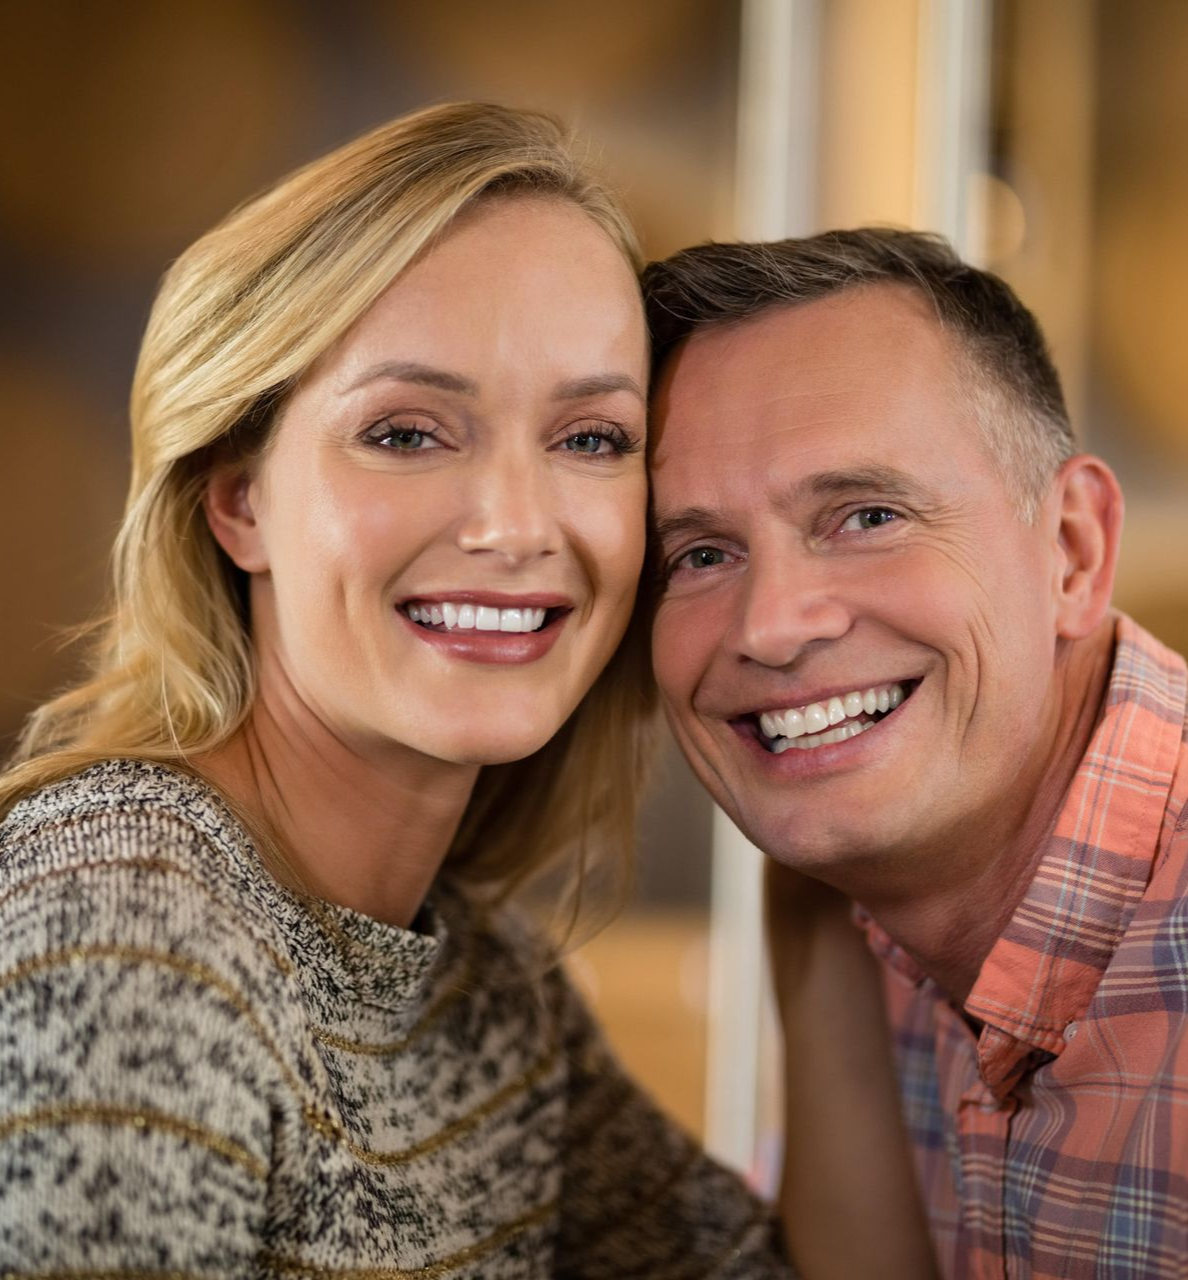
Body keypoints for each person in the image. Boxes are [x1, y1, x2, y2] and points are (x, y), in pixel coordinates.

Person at [0, 105, 931, 1277]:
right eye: (405, 432)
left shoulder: (482, 985)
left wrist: (817, 873)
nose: (513, 523)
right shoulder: (128, 917)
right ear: (238, 502)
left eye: (590, 438)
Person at [642, 227, 1188, 1278]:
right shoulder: (871, 904)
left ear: (1070, 549)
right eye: (701, 553)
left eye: (865, 514)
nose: (768, 624)